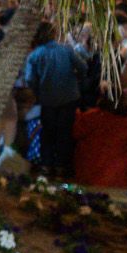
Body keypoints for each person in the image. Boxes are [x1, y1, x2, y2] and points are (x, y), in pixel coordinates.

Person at [20, 20, 88, 179]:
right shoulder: (67, 50)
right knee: (65, 132)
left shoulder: (35, 55)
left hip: (47, 99)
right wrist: (75, 79)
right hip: (69, 97)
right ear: (53, 33)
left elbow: (30, 79)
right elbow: (83, 67)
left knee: (48, 132)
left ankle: (46, 165)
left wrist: (38, 91)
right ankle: (61, 166)